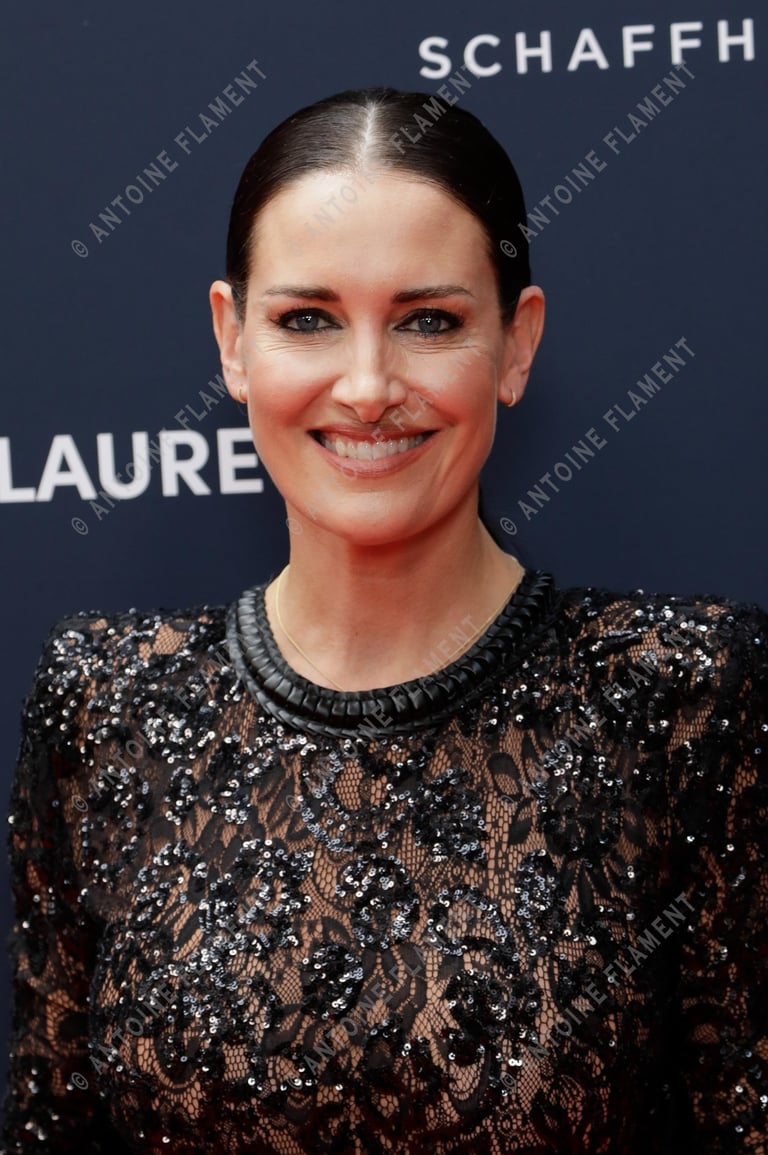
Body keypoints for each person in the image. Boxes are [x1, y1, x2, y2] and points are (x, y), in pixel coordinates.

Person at [1, 86, 766, 1154]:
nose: (367, 387)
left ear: (516, 344)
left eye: (429, 321)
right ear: (232, 339)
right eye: (307, 319)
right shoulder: (107, 696)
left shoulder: (680, 695)